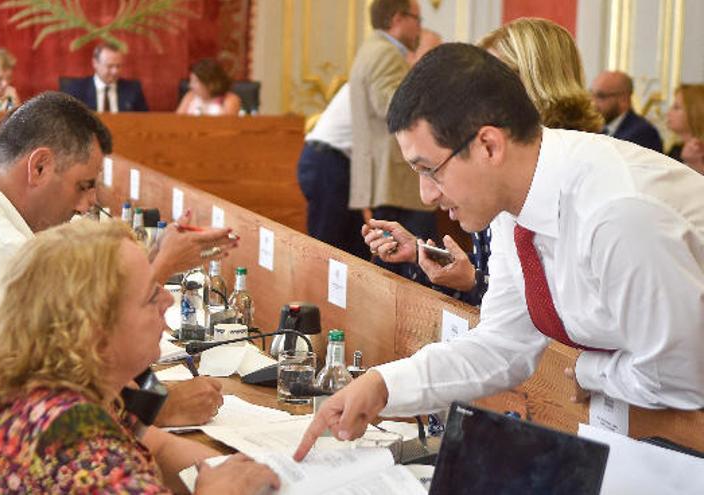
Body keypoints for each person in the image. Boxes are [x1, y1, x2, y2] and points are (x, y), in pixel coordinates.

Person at [295, 43, 704, 460]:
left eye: (429, 169)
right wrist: (382, 385)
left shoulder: (617, 213)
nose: (426, 194)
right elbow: (503, 344)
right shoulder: (515, 201)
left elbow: (679, 375)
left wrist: (588, 371)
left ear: (489, 145)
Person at [0, 92, 237, 478]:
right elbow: (72, 384)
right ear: (39, 166)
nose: (86, 205)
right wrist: (165, 404)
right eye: (83, 186)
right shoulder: (0, 249)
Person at [0, 220, 279, 493]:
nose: (168, 300)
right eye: (150, 296)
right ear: (95, 333)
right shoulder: (78, 445)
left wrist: (247, 471)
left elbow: (154, 443)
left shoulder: (35, 384)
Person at [365, 17, 603, 306]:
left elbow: (557, 311)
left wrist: (472, 281)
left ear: (535, 82)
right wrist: (420, 253)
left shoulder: (566, 173)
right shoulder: (491, 158)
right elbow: (505, 296)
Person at [349, 0, 437, 280]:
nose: (420, 30)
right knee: (407, 269)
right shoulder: (385, 53)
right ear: (398, 19)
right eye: (418, 21)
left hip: (389, 178)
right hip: (396, 180)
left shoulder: (373, 48)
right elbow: (395, 110)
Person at [296, 83, 369, 259]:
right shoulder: (379, 81)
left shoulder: (370, 76)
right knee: (328, 247)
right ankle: (317, 286)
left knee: (356, 249)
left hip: (330, 160)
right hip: (328, 162)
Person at [62, 43, 149, 113]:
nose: (115, 71)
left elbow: (145, 121)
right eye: (110, 66)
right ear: (95, 63)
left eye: (118, 66)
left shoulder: (133, 90)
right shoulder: (76, 89)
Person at [590, 70, 663, 152]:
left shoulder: (642, 134)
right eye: (591, 94)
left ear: (623, 99)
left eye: (601, 96)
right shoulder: (595, 129)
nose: (593, 103)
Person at [176, 58, 241, 116]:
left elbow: (227, 125)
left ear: (210, 83)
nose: (190, 85)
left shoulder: (230, 99)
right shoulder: (190, 96)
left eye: (195, 82)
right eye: (191, 81)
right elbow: (177, 122)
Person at [666, 84, 704, 174]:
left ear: (694, 112)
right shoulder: (676, 149)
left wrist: (696, 165)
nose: (668, 113)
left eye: (676, 107)